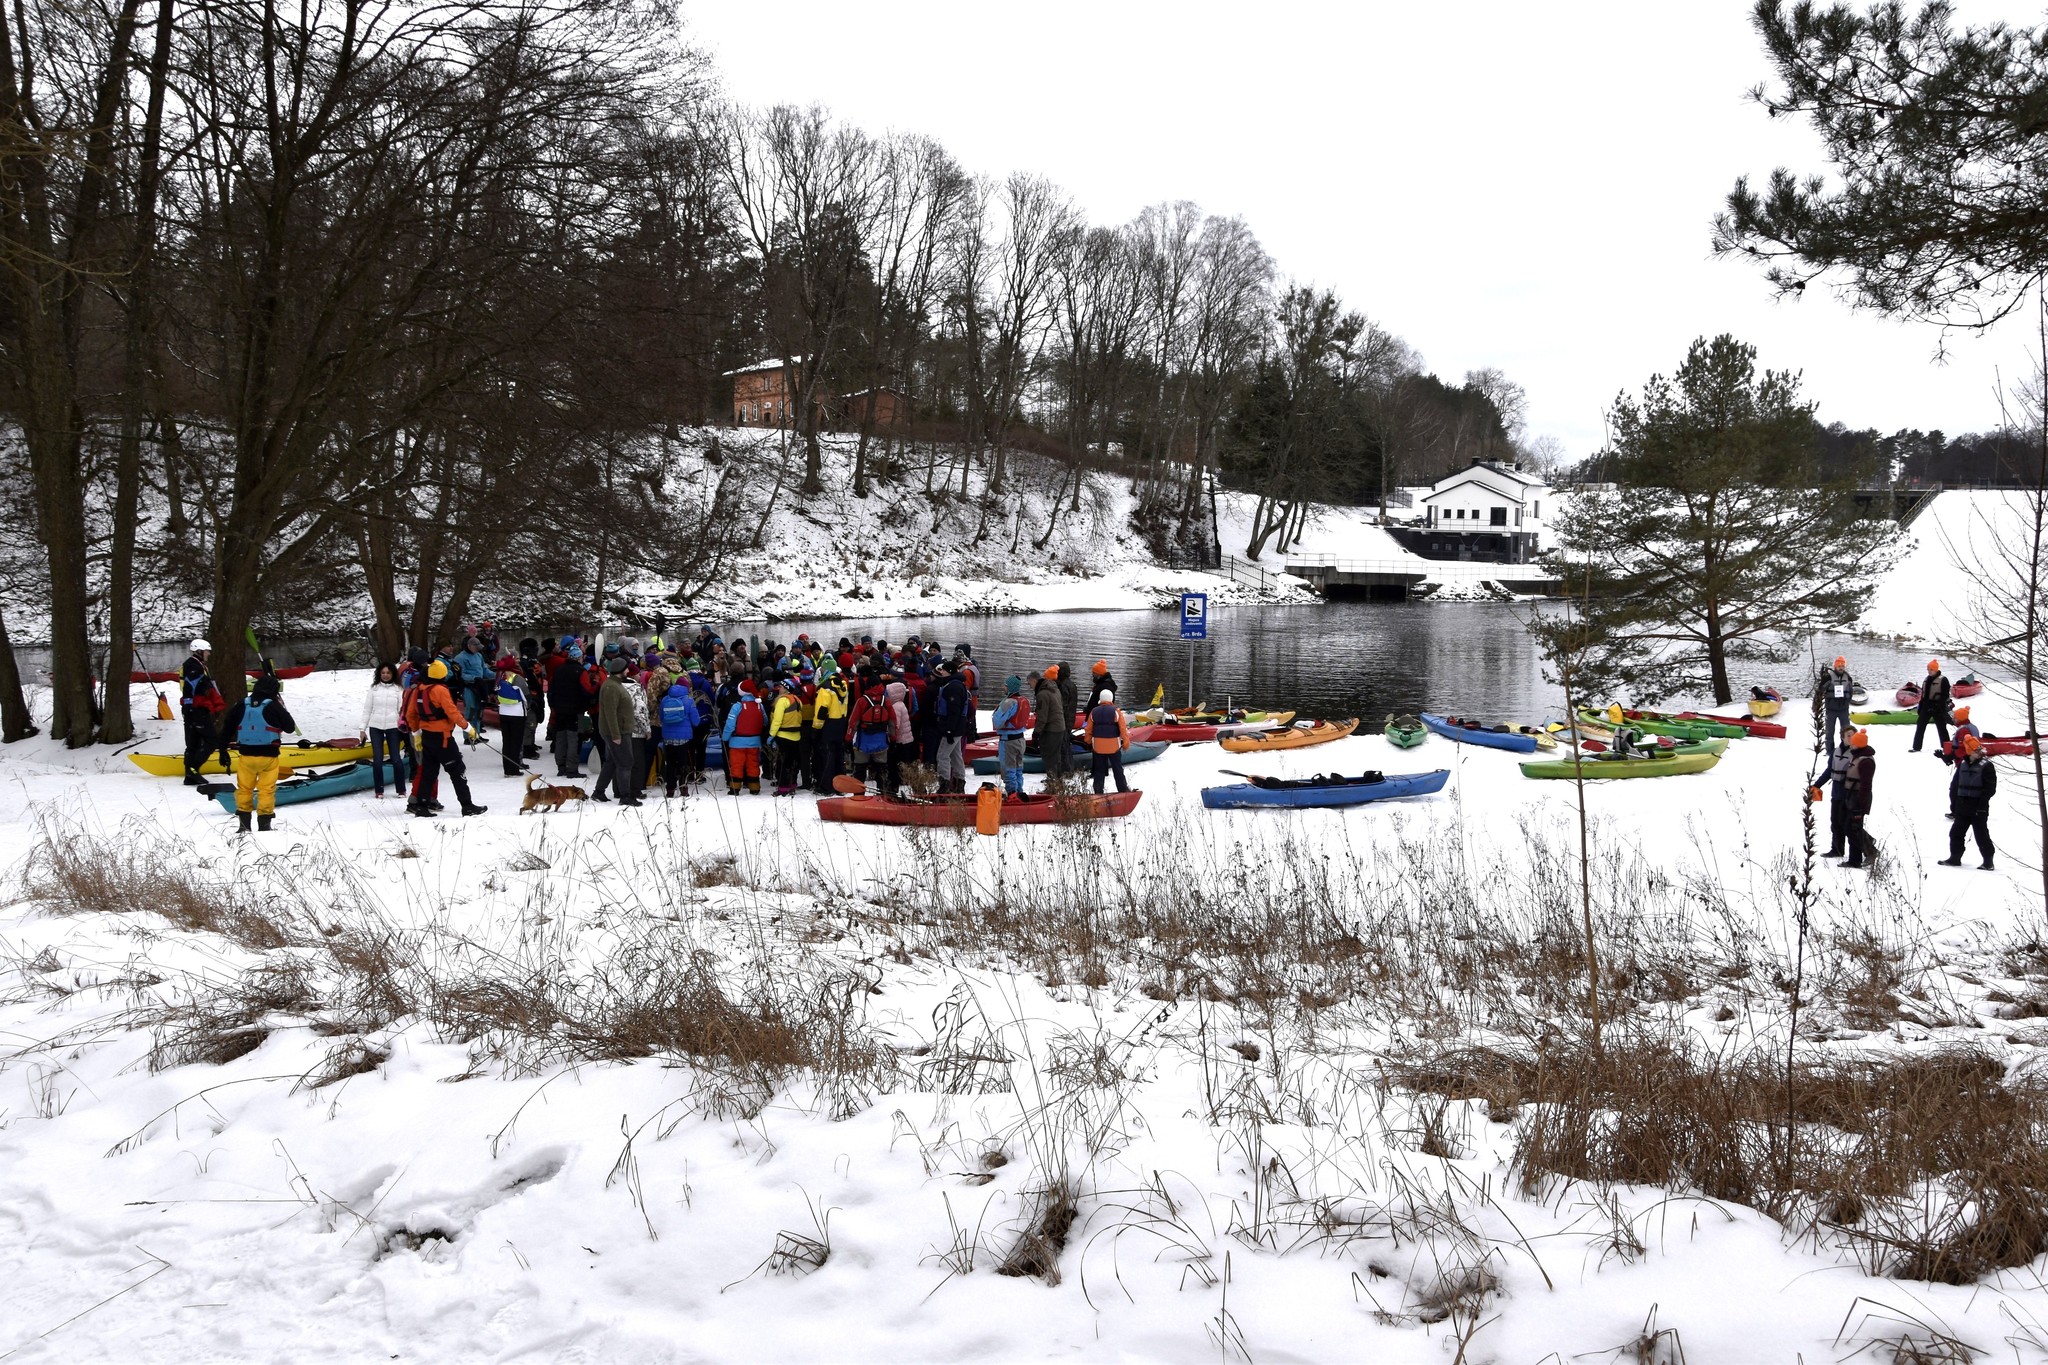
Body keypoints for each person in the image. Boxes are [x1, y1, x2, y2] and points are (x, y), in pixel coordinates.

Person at [406, 660, 487, 818]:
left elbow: (411, 714)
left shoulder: (418, 690)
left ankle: (421, 806)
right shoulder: (440, 690)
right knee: (457, 771)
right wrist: (468, 728)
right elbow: (452, 712)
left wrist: (416, 734)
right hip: (443, 738)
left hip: (426, 737)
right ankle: (467, 805)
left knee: (428, 773)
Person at [219, 674, 297, 833]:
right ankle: (264, 826)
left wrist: (222, 751)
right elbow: (290, 727)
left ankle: (244, 826)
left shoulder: (241, 704)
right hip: (268, 758)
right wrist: (280, 706)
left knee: (244, 789)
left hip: (246, 757)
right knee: (266, 790)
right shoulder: (273, 706)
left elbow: (227, 728)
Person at [1939, 733, 1997, 870]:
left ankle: (1988, 862)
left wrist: (1981, 805)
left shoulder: (1987, 766)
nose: (1979, 752)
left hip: (1978, 807)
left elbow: (1990, 789)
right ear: (1969, 751)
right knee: (1955, 833)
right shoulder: (1962, 765)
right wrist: (1954, 806)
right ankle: (1955, 858)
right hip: (1962, 806)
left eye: (1979, 749)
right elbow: (1955, 787)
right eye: (1976, 750)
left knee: (1981, 835)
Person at [179, 638, 227, 784]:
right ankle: (193, 770)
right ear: (199, 651)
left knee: (193, 743)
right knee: (212, 740)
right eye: (207, 651)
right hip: (196, 710)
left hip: (191, 710)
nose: (209, 654)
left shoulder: (194, 665)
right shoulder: (194, 667)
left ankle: (189, 776)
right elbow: (193, 689)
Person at [359, 663, 411, 798]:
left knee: (396, 758)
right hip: (375, 727)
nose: (385, 675)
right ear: (379, 674)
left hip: (393, 727)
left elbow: (402, 710)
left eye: (388, 673)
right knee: (377, 760)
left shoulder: (398, 689)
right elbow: (367, 709)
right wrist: (362, 728)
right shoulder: (374, 689)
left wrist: (404, 726)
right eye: (383, 673)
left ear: (393, 674)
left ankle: (401, 790)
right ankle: (379, 790)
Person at [592, 658, 639, 805]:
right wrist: (616, 735)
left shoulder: (615, 684)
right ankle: (625, 796)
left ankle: (598, 792)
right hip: (618, 732)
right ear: (620, 670)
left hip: (619, 730)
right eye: (626, 668)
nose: (628, 671)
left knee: (612, 762)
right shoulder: (611, 687)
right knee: (625, 762)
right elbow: (610, 713)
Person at [547, 644, 591, 778]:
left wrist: (553, 706)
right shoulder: (581, 671)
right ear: (579, 658)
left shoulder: (559, 670)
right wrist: (587, 704)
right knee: (574, 739)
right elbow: (587, 690)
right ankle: (571, 769)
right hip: (575, 711)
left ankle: (561, 766)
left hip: (559, 710)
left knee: (561, 737)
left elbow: (551, 690)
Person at [1809, 739, 1856, 859]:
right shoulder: (1835, 752)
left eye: (1853, 736)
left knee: (1848, 825)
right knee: (1835, 822)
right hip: (1836, 793)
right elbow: (1829, 771)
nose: (1851, 738)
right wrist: (1816, 785)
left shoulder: (1856, 753)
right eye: (1848, 735)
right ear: (1843, 737)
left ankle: (1868, 844)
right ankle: (1837, 849)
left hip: (1850, 794)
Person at [931, 661, 974, 794]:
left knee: (942, 756)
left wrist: (949, 730)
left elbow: (954, 710)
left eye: (943, 670)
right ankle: (959, 783)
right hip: (959, 727)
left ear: (949, 671)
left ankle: (944, 784)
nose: (941, 672)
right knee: (956, 756)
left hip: (952, 728)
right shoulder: (957, 684)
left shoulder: (953, 687)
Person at [658, 669, 700, 798]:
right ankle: (683, 788)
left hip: (668, 737)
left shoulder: (665, 700)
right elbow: (696, 721)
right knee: (683, 763)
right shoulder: (689, 701)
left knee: (670, 764)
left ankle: (670, 789)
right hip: (684, 738)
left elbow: (661, 717)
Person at [722, 679, 768, 795]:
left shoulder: (737, 706)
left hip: (737, 742)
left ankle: (735, 788)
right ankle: (754, 787)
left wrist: (725, 738)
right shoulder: (759, 706)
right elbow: (765, 721)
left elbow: (730, 724)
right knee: (753, 764)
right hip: (754, 741)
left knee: (736, 765)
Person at [1840, 728, 1876, 869]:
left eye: (1854, 743)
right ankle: (1854, 860)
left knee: (1853, 828)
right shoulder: (1857, 756)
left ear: (1859, 745)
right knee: (1850, 827)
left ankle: (1870, 850)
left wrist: (1861, 803)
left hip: (1859, 798)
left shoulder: (1866, 761)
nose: (1851, 745)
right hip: (1851, 796)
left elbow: (1866, 785)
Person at [990, 675, 1032, 797]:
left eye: (1006, 685)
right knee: (1018, 769)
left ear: (1011, 688)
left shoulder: (1008, 702)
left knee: (1009, 770)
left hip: (1008, 742)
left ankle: (1012, 794)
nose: (1003, 687)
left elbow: (998, 722)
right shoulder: (1024, 700)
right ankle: (1019, 792)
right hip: (1020, 740)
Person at [1086, 688, 1131, 794]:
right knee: (1117, 769)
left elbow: (1088, 730)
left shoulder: (1093, 712)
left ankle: (1098, 791)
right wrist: (1125, 743)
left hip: (1098, 746)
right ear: (1111, 699)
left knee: (1099, 770)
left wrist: (1088, 742)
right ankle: (1123, 790)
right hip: (1113, 746)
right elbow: (1123, 729)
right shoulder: (1116, 712)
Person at [1034, 668, 1073, 787]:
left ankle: (1052, 783)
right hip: (1060, 727)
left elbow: (1042, 716)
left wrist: (1037, 731)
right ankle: (1057, 780)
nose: (1030, 686)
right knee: (1056, 755)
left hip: (1051, 729)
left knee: (1049, 756)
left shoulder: (1043, 694)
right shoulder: (1056, 690)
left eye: (1029, 683)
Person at [811, 668, 848, 794]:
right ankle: (841, 787)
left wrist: (816, 728)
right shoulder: (843, 685)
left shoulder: (825, 688)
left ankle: (826, 787)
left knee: (827, 757)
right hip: (841, 722)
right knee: (839, 755)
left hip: (828, 724)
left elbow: (822, 710)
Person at [493, 658, 531, 778]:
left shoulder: (499, 676)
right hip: (517, 713)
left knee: (507, 742)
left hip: (503, 712)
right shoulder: (517, 678)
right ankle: (513, 769)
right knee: (516, 742)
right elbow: (526, 695)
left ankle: (507, 769)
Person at [769, 677, 805, 796]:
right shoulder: (798, 700)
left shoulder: (782, 701)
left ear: (786, 689)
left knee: (783, 763)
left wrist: (771, 735)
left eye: (781, 687)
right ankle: (792, 784)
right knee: (793, 763)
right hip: (796, 736)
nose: (778, 689)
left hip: (783, 736)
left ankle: (783, 788)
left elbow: (777, 720)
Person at [1815, 655, 1856, 757]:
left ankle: (1846, 750)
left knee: (1847, 732)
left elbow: (1850, 692)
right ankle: (1829, 752)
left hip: (1843, 709)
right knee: (1829, 732)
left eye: (1842, 666)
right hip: (1831, 709)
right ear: (1835, 666)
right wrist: (1816, 706)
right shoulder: (1828, 677)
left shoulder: (1848, 678)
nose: (1841, 668)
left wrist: (1847, 701)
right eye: (1839, 666)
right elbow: (1819, 691)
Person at [1911, 658, 1953, 754]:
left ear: (1936, 670)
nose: (1929, 671)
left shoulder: (1943, 680)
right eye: (1928, 669)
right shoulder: (1927, 679)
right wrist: (1920, 706)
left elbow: (1945, 695)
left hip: (1938, 708)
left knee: (1942, 728)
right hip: (1926, 706)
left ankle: (1946, 747)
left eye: (1931, 669)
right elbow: (1923, 694)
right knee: (1920, 726)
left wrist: (1937, 705)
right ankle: (1916, 747)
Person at [455, 636, 492, 739]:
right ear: (470, 646)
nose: (478, 649)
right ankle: (468, 737)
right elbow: (459, 674)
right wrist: (473, 678)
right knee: (471, 711)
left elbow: (484, 670)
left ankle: (477, 734)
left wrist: (497, 675)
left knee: (479, 710)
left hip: (480, 687)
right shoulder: (460, 658)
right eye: (476, 647)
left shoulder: (479, 655)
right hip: (469, 687)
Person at [1056, 661, 1079, 731]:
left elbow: (1063, 704)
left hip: (1063, 720)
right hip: (1071, 718)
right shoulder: (1073, 685)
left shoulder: (1062, 686)